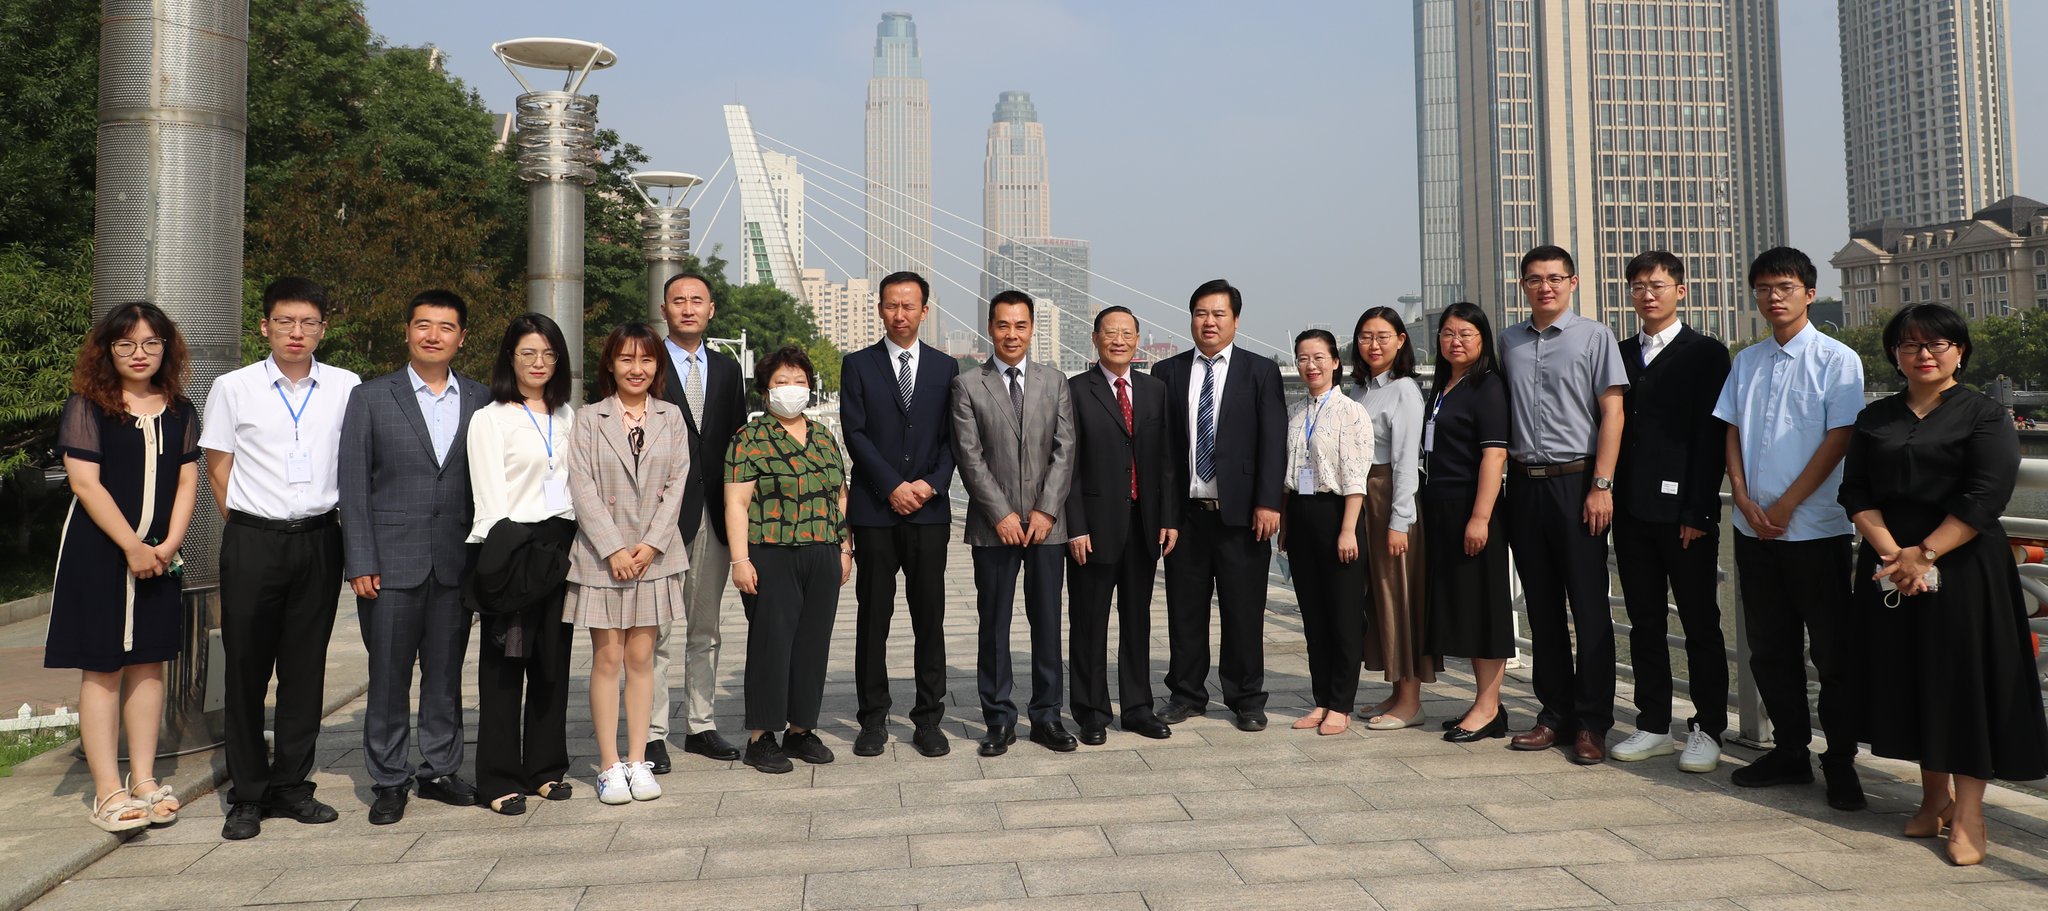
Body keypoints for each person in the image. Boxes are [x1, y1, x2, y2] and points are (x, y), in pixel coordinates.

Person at [1840, 303, 2048, 865]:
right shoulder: (1876, 417)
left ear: (1959, 350)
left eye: (1936, 344)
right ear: (1894, 354)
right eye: (1910, 345)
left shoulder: (1983, 414)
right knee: (1909, 677)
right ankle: (1934, 799)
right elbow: (1855, 492)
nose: (1923, 354)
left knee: (1965, 684)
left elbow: (1986, 494)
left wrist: (1925, 553)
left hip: (1963, 567)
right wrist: (1895, 556)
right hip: (1890, 568)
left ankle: (1971, 813)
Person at [201, 277, 361, 841]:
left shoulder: (346, 386)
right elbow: (218, 465)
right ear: (265, 326)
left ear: (323, 328)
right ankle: (247, 793)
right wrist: (248, 525)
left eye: (309, 323)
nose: (297, 333)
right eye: (286, 322)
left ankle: (292, 785)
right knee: (245, 669)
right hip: (253, 541)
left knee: (304, 670)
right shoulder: (234, 387)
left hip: (320, 538)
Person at [1712, 247, 1868, 811]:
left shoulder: (1837, 359)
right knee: (1769, 648)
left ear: (1808, 290)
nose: (1772, 297)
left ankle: (1842, 759)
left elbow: (1839, 438)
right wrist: (1745, 497)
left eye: (1783, 286)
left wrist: (1786, 505)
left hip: (1815, 530)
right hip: (1752, 528)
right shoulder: (1746, 361)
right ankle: (1790, 751)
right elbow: (1729, 429)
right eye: (1762, 288)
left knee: (1832, 651)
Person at [48, 302, 199, 832]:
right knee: (104, 666)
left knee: (149, 663)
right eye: (126, 344)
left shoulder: (179, 407)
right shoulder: (89, 405)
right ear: (108, 350)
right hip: (99, 553)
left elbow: (186, 481)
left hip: (161, 554)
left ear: (166, 348)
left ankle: (143, 779)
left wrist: (169, 543)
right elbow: (84, 483)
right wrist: (132, 546)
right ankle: (107, 791)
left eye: (151, 343)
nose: (140, 354)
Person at [338, 289, 487, 824]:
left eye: (445, 327)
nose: (433, 335)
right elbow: (353, 486)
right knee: (388, 676)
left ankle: (441, 768)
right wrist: (359, 561)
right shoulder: (372, 397)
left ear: (461, 337)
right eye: (422, 324)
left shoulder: (482, 399)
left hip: (455, 563)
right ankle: (389, 778)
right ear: (407, 331)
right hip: (389, 564)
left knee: (445, 675)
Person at [1500, 245, 1629, 766]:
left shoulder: (1595, 337)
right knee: (1542, 607)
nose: (1545, 287)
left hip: (1578, 483)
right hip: (1524, 485)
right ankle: (1553, 714)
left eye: (1555, 278)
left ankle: (1593, 723)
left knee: (1590, 608)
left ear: (1573, 282)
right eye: (1535, 279)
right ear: (1524, 285)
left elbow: (1613, 413)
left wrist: (1603, 484)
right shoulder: (1507, 341)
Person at [1608, 252, 1731, 773]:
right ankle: (1654, 723)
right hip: (1631, 511)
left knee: (1701, 621)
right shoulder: (1619, 353)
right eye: (1638, 287)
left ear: (1680, 291)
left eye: (1657, 285)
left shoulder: (1706, 354)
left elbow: (1712, 437)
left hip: (1686, 514)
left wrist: (1699, 509)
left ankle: (1706, 728)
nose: (1647, 294)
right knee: (1644, 621)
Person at [1152, 279, 1287, 732]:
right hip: (1186, 518)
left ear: (1235, 320)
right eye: (1200, 313)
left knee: (1243, 610)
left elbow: (1274, 443)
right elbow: (1164, 455)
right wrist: (1166, 517)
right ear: (1190, 318)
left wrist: (1269, 502)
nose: (1208, 322)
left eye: (1218, 314)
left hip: (1244, 516)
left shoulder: (1260, 371)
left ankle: (1246, 697)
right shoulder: (1167, 373)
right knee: (1184, 611)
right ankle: (1187, 693)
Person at [564, 322, 689, 805]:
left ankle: (639, 759)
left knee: (642, 659)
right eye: (626, 360)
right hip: (601, 556)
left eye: (646, 360)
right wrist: (614, 547)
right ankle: (609, 764)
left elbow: (678, 483)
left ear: (657, 366)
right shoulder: (589, 418)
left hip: (652, 557)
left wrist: (652, 545)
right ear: (610, 365)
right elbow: (582, 487)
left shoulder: (670, 417)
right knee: (608, 658)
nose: (636, 369)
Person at [952, 290, 1079, 756]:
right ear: (990, 328)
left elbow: (1065, 450)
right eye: (1003, 325)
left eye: (1020, 325)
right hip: (993, 528)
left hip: (1049, 527)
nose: (1012, 334)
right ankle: (999, 719)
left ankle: (1047, 716)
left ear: (1032, 329)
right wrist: (1001, 513)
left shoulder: (1055, 381)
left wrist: (1046, 511)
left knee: (1047, 623)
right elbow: (970, 458)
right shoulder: (968, 385)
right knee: (995, 624)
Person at [840, 271, 959, 758]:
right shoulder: (858, 365)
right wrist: (892, 486)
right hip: (876, 512)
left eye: (909, 306)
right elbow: (856, 433)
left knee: (929, 618)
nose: (900, 314)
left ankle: (929, 719)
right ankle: (872, 719)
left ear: (925, 311)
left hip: (929, 514)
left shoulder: (947, 367)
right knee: (874, 617)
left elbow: (955, 439)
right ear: (881, 309)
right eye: (891, 305)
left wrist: (929, 485)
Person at [464, 313, 578, 815]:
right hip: (511, 549)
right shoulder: (491, 418)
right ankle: (498, 778)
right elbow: (489, 500)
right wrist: (504, 562)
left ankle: (546, 769)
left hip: (562, 549)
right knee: (505, 669)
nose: (539, 363)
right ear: (510, 357)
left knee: (552, 666)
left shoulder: (568, 416)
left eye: (549, 354)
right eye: (528, 353)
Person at [725, 346, 852, 774]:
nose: (790, 389)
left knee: (812, 644)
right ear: (765, 390)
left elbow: (840, 496)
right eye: (781, 382)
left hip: (821, 551)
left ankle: (801, 730)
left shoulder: (822, 436)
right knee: (771, 645)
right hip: (771, 552)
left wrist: (845, 548)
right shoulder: (750, 439)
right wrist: (739, 560)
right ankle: (762, 737)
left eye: (798, 380)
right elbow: (737, 504)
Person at [1064, 306, 1178, 744]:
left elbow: (1166, 461)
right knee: (1089, 621)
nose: (1118, 340)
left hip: (1144, 524)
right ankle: (1091, 711)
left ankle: (1138, 707)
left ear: (1138, 339)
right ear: (1094, 339)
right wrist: (1075, 526)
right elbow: (1067, 467)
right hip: (1093, 527)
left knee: (1138, 619)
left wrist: (1169, 517)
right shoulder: (1075, 390)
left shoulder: (1154, 391)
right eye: (1109, 333)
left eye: (1126, 333)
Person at [650, 273, 746, 769]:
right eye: (678, 301)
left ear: (712, 310)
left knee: (704, 628)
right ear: (664, 309)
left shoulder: (729, 371)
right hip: (660, 517)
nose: (688, 308)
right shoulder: (647, 362)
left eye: (697, 301)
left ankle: (701, 725)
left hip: (713, 516)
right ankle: (651, 732)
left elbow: (736, 442)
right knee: (656, 630)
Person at [1423, 304, 1514, 743]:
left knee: (1484, 609)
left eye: (1465, 333)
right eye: (1447, 334)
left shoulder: (1488, 386)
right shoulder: (1444, 385)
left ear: (1482, 339)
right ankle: (1486, 704)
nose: (1455, 341)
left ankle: (1489, 706)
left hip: (1472, 509)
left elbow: (1494, 456)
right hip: (1440, 507)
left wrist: (1480, 517)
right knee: (1464, 606)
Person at [1346, 307, 1439, 728]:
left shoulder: (1404, 390)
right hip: (1362, 497)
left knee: (1400, 595)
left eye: (1383, 336)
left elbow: (1405, 461)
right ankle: (1395, 689)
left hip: (1388, 498)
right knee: (1376, 597)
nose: (1374, 344)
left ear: (1401, 340)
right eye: (1366, 336)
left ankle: (1411, 701)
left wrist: (1400, 520)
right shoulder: (1360, 391)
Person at [1279, 329, 1374, 735]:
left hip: (1338, 516)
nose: (1310, 365)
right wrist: (1284, 524)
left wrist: (1348, 529)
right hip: (1300, 516)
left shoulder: (1351, 412)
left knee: (1344, 615)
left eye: (1319, 357)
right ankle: (1321, 700)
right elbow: (1288, 476)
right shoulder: (1296, 412)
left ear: (1336, 362)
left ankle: (1342, 703)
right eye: (1303, 358)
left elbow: (1356, 478)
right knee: (1314, 616)